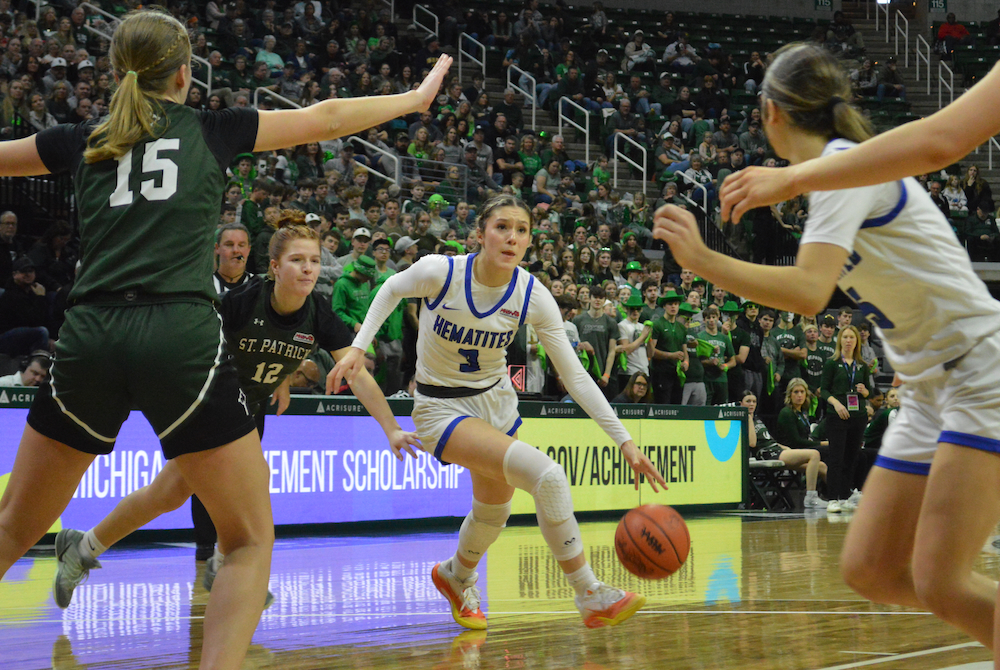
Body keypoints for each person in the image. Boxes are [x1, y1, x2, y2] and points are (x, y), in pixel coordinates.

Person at [0, 9, 454, 670]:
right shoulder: (213, 130)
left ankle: (83, 546)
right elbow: (326, 117)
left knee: (15, 524)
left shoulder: (80, 138)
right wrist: (413, 99)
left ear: (117, 73)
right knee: (245, 541)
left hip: (89, 336)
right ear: (185, 74)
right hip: (178, 335)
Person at [662, 43, 1000, 661]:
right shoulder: (837, 174)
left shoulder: (843, 168)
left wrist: (705, 262)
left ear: (770, 113)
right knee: (870, 569)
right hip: (928, 386)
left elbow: (810, 294)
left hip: (978, 371)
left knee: (942, 579)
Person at [332, 194, 665, 631]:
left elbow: (578, 378)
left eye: (522, 230)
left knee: (493, 511)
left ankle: (456, 575)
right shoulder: (441, 271)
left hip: (497, 402)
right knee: (547, 477)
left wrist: (624, 440)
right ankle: (588, 592)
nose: (511, 237)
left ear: (529, 240)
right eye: (502, 227)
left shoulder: (531, 294)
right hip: (440, 406)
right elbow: (392, 289)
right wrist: (360, 346)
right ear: (481, 233)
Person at [50, 217, 419, 610]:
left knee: (169, 492)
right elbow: (193, 350)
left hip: (249, 406)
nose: (309, 268)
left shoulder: (318, 312)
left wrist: (392, 428)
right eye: (297, 260)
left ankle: (85, 546)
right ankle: (231, 566)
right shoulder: (242, 303)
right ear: (274, 267)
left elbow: (356, 372)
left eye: (313, 260)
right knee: (252, 480)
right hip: (207, 399)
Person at [742, 389, 827, 509]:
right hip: (768, 454)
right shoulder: (743, 422)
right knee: (814, 454)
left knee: (822, 466)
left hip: (777, 449)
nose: (751, 404)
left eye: (754, 401)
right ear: (741, 404)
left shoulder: (758, 419)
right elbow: (752, 443)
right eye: (748, 401)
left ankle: (839, 497)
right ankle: (811, 498)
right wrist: (748, 419)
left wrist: (785, 448)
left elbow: (769, 439)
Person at [819, 325, 871, 513]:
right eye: (845, 337)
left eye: (852, 337)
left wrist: (865, 392)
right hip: (837, 416)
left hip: (858, 416)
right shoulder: (832, 363)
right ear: (839, 340)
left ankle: (845, 496)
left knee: (852, 457)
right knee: (836, 458)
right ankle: (832, 498)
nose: (848, 340)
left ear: (857, 341)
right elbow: (823, 390)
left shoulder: (862, 366)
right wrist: (836, 404)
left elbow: (869, 392)